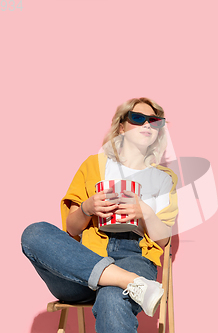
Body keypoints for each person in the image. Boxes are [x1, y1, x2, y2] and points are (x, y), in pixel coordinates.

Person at [21, 97, 178, 333]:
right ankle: (132, 283)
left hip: (135, 254)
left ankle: (126, 281)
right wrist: (87, 208)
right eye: (138, 118)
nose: (147, 125)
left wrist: (143, 211)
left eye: (154, 121)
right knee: (34, 233)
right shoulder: (93, 165)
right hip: (83, 260)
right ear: (121, 126)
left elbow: (163, 241)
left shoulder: (163, 178)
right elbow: (72, 230)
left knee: (113, 296)